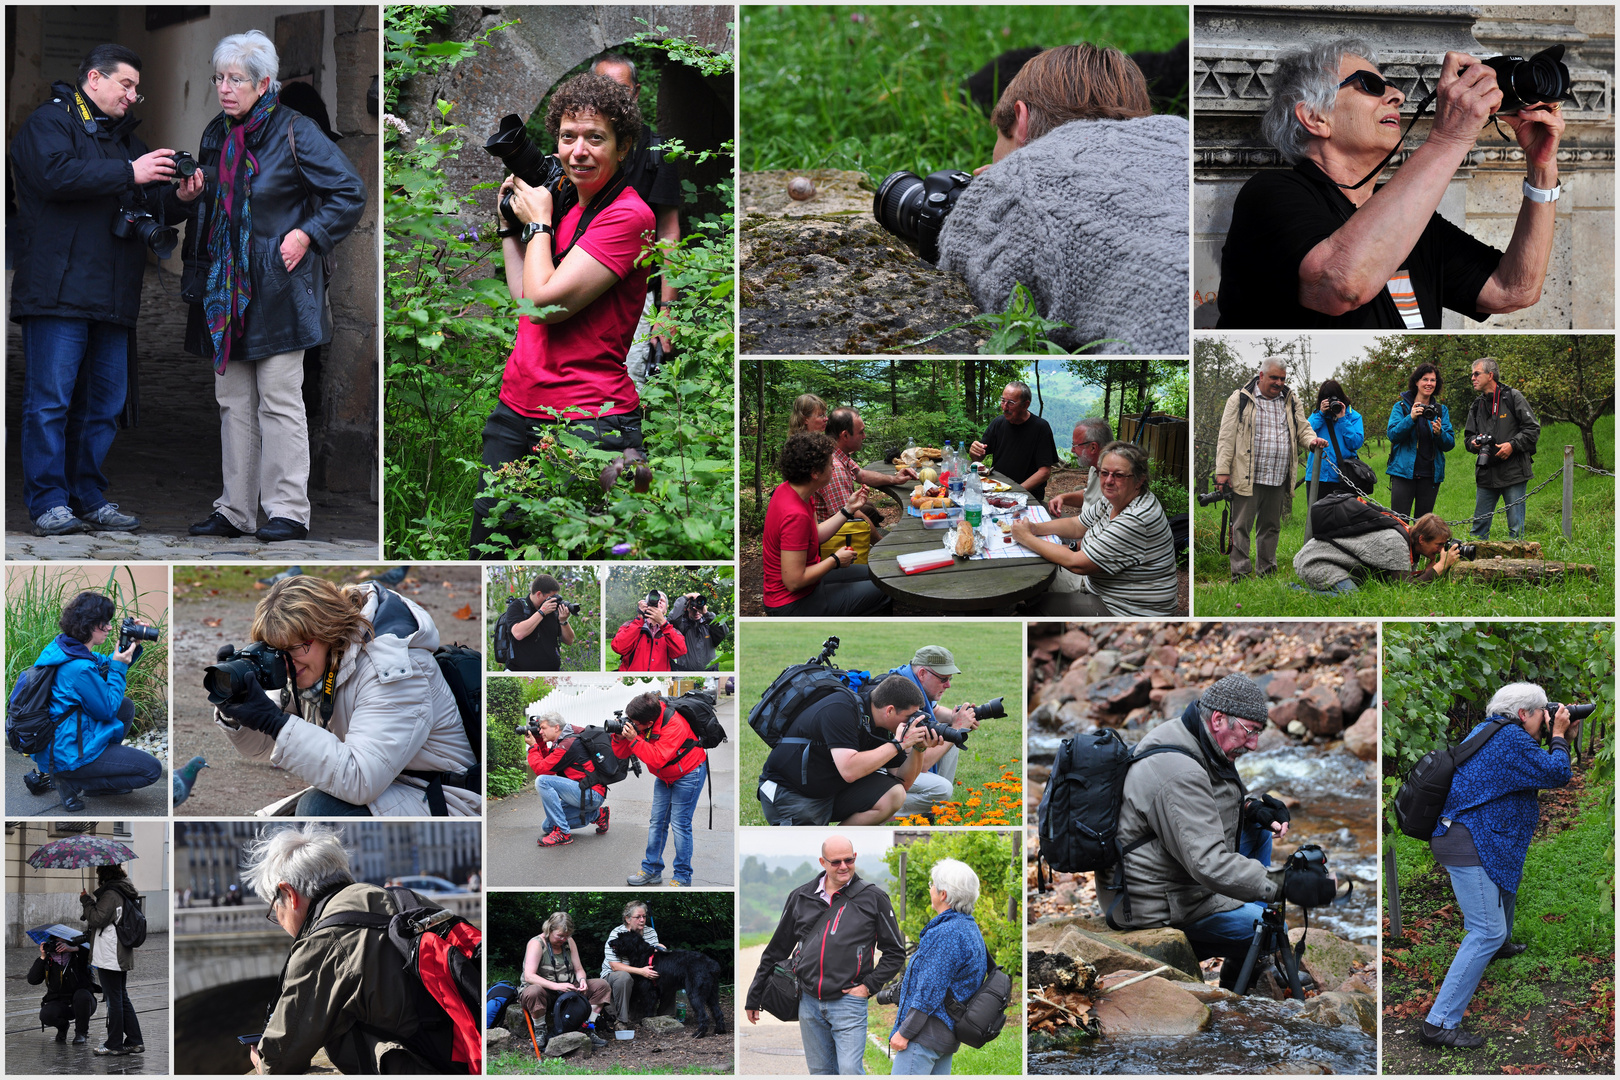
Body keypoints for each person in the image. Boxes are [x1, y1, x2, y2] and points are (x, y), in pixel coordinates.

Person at [1217, 39, 1562, 329]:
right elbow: (1341, 285)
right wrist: (1448, 138)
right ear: (1315, 117)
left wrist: (1541, 168)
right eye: (1371, 85)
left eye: (1391, 86)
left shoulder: (1413, 217)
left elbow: (1513, 290)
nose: (1397, 95)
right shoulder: (1271, 193)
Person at [179, 31, 366, 543]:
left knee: (279, 399)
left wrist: (309, 233)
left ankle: (287, 510)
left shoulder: (296, 130)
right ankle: (235, 510)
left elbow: (349, 192)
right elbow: (214, 205)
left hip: (280, 285)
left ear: (264, 83)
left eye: (235, 79)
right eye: (219, 78)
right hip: (227, 286)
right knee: (232, 400)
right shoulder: (215, 134)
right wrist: (191, 194)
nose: (224, 88)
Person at [470, 72, 657, 556]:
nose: (579, 150)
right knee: (490, 544)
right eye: (568, 137)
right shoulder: (566, 207)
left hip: (589, 417)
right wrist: (511, 229)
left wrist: (538, 223)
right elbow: (527, 300)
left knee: (586, 553)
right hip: (518, 405)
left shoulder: (628, 216)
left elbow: (548, 306)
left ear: (624, 146)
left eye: (596, 137)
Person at [11, 44, 186, 535]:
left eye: (136, 88)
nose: (132, 96)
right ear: (94, 78)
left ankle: (87, 495)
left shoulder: (126, 141)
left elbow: (149, 206)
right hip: (57, 292)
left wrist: (181, 198)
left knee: (103, 407)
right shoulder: (49, 123)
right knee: (50, 402)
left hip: (112, 296)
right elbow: (54, 175)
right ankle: (48, 502)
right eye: (125, 85)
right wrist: (131, 172)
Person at [937, 44, 1189, 355]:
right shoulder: (1182, 138)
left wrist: (993, 192)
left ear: (1020, 120)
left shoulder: (1018, 179)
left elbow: (971, 297)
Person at [1103, 675, 1337, 989]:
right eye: (1251, 731)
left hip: (1168, 868)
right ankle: (1238, 979)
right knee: (1266, 927)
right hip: (1154, 902)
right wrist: (1287, 884)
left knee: (1259, 833)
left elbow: (1196, 808)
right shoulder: (1178, 770)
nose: (1254, 744)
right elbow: (1208, 863)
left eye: (1258, 733)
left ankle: (1247, 948)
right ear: (1218, 719)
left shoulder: (1193, 736)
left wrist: (1252, 809)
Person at [212, 576, 479, 817]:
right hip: (392, 788)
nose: (286, 661)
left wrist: (275, 722)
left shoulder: (392, 668)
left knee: (319, 810)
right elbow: (262, 747)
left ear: (328, 630)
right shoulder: (312, 662)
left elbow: (361, 780)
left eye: (295, 647)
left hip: (444, 798)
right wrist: (237, 708)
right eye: (277, 650)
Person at [242, 823, 472, 1072]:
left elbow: (277, 1061)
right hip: (467, 1056)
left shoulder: (322, 942)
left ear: (288, 892)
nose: (281, 922)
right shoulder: (407, 900)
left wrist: (259, 1059)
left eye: (275, 911)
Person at [1421, 684, 1572, 1049]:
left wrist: (1552, 734)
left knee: (1505, 882)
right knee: (1483, 931)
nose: (1545, 718)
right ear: (1524, 715)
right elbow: (1557, 774)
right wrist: (1559, 736)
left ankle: (1499, 944)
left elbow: (1528, 770)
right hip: (1468, 841)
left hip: (1479, 836)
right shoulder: (1511, 741)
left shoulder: (1491, 730)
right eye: (1541, 713)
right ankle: (1438, 1023)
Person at [746, 836, 905, 1075]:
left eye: (848, 860)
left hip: (849, 1001)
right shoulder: (801, 896)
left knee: (850, 1070)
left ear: (855, 858)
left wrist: (868, 987)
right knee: (820, 1072)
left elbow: (895, 952)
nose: (843, 866)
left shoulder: (874, 898)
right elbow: (776, 949)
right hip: (808, 1001)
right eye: (836, 861)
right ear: (823, 862)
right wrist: (754, 994)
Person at [22, 591, 162, 813]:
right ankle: (73, 781)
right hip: (67, 752)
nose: (108, 628)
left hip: (61, 741)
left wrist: (128, 647)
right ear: (88, 625)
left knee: (125, 707)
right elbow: (107, 710)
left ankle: (94, 775)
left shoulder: (65, 647)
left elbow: (107, 667)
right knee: (151, 770)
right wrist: (119, 667)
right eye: (103, 623)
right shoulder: (78, 667)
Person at [590, 54, 681, 386]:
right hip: (576, 282)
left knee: (626, 386)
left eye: (621, 90)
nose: (612, 99)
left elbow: (668, 231)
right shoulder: (578, 147)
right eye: (603, 89)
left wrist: (666, 311)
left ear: (637, 93)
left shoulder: (657, 152)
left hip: (633, 293)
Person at [1010, 442, 1179, 616]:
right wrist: (1034, 528)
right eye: (1104, 473)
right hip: (1104, 588)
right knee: (1035, 575)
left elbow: (1077, 564)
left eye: (1119, 475)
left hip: (1127, 610)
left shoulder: (1136, 519)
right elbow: (1077, 525)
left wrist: (1027, 538)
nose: (1108, 481)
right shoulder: (1116, 498)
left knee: (1037, 606)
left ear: (1139, 480)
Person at [757, 674, 939, 826]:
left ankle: (840, 839)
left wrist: (918, 749)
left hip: (829, 792)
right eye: (909, 717)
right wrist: (898, 744)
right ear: (890, 710)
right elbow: (849, 771)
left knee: (895, 794)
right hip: (791, 794)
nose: (912, 723)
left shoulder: (886, 726)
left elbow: (903, 781)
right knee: (809, 846)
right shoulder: (842, 709)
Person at [1214, 357, 1329, 580]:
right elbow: (1226, 438)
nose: (1278, 383)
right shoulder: (1240, 399)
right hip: (1247, 475)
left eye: (1282, 379)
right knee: (1241, 528)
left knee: (1271, 527)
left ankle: (1266, 571)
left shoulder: (1291, 400)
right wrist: (1222, 472)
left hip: (1278, 476)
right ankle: (1241, 573)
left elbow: (1303, 429)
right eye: (1274, 377)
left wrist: (1312, 441)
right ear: (1262, 376)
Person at [763, 432, 891, 617]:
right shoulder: (795, 515)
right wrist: (835, 560)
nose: (834, 468)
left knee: (880, 574)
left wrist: (847, 510)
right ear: (815, 473)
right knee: (884, 590)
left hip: (808, 585)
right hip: (792, 603)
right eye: (831, 465)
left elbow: (815, 534)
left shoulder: (795, 491)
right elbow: (793, 581)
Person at [888, 859, 988, 1075]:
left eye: (932, 885)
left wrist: (905, 1032)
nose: (930, 889)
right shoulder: (968, 927)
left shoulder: (946, 934)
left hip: (925, 1037)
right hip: (945, 1035)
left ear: (943, 894)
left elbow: (929, 991)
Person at [616, 691, 709, 887]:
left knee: (680, 825)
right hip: (665, 775)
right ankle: (651, 870)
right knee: (657, 822)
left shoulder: (674, 724)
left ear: (649, 723)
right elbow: (622, 753)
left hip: (689, 773)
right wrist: (619, 737)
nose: (631, 724)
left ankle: (683, 877)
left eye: (634, 722)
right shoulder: (643, 720)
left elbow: (657, 758)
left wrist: (634, 739)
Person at [885, 646, 981, 818]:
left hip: (895, 763)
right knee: (942, 789)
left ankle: (934, 809)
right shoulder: (903, 699)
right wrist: (957, 727)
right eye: (943, 679)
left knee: (950, 736)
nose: (948, 685)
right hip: (882, 770)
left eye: (950, 679)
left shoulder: (908, 679)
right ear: (922, 673)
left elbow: (935, 712)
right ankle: (880, 807)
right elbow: (922, 764)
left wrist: (956, 717)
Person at [1292, 511, 1462, 593]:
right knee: (1349, 596)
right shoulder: (1396, 543)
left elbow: (1399, 580)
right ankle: (1295, 590)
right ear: (1421, 540)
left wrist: (1428, 570)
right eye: (1438, 544)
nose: (1441, 550)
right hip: (1316, 559)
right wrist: (1440, 567)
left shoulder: (1410, 541)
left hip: (1336, 561)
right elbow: (1405, 588)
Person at [1465, 357, 1540, 541]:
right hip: (1486, 472)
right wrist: (1474, 442)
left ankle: (1518, 567)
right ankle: (1473, 568)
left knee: (1516, 529)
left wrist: (1512, 445)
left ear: (1490, 375)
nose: (1472, 378)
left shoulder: (1512, 397)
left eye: (1476, 374)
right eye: (1471, 375)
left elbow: (1533, 429)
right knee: (1478, 530)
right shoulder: (1476, 405)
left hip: (1513, 472)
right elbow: (1467, 438)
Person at [814, 407, 918, 540]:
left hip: (846, 531)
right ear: (845, 435)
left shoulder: (836, 453)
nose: (864, 436)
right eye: (861, 432)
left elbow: (861, 474)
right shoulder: (834, 468)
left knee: (870, 508)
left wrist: (895, 479)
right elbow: (851, 516)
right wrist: (882, 544)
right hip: (837, 540)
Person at [519, 912, 612, 1050]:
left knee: (602, 986)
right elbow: (529, 976)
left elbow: (579, 969)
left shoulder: (569, 942)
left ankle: (588, 1027)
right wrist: (556, 986)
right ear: (549, 929)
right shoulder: (536, 943)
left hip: (568, 989)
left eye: (566, 936)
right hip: (543, 989)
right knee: (533, 991)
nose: (563, 939)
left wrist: (582, 981)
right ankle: (540, 1031)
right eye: (560, 936)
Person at [80, 864, 142, 1056]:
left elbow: (98, 919)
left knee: (114, 999)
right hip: (119, 951)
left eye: (99, 874)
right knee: (121, 997)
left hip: (110, 953)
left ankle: (114, 1043)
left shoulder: (111, 894)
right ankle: (134, 1041)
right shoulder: (124, 890)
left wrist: (86, 902)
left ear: (104, 876)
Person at [525, 711, 610, 847]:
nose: (540, 731)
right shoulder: (564, 739)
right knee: (547, 826)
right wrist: (540, 742)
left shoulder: (568, 744)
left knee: (542, 781)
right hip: (582, 792)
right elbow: (550, 760)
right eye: (539, 729)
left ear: (556, 727)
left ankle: (563, 833)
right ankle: (598, 815)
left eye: (543, 728)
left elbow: (542, 769)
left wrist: (533, 748)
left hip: (591, 794)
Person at [969, 382, 1058, 503]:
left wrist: (1016, 492)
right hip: (998, 490)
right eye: (1003, 401)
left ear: (1025, 405)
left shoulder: (1040, 428)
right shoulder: (998, 423)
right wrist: (974, 451)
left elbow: (1044, 472)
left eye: (1010, 403)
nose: (1004, 407)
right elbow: (978, 457)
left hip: (1028, 496)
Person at [1387, 363, 1455, 520]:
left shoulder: (1440, 410)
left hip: (1429, 475)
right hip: (1403, 473)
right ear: (1416, 382)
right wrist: (1410, 418)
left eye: (1433, 380)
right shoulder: (1401, 407)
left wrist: (1439, 433)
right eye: (1425, 379)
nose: (1429, 383)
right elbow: (1393, 435)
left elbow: (1449, 443)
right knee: (1399, 522)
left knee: (1423, 525)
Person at [601, 901, 666, 1029]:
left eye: (644, 916)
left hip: (642, 973)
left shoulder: (650, 932)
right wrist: (641, 971)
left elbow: (654, 957)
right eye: (638, 917)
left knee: (667, 973)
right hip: (614, 976)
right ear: (627, 919)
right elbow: (615, 966)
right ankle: (621, 1021)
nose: (642, 920)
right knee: (623, 977)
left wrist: (661, 950)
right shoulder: (616, 933)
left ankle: (666, 1017)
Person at [28, 931, 98, 1046]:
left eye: (62, 943)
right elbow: (32, 980)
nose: (59, 946)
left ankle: (81, 1033)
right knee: (46, 1014)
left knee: (82, 996)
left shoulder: (79, 957)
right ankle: (63, 1027)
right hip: (59, 1002)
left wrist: (72, 949)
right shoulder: (49, 961)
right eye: (56, 942)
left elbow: (91, 950)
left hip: (83, 1003)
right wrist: (42, 957)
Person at [1304, 379, 1366, 501]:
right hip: (1318, 476)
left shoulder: (1353, 416)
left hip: (1343, 477)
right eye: (1326, 399)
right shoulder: (1317, 416)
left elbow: (1355, 443)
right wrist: (1321, 413)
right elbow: (1305, 432)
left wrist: (1342, 419)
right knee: (1317, 517)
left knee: (1344, 518)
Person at [501, 574, 575, 672]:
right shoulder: (518, 606)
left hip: (551, 673)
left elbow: (569, 641)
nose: (555, 600)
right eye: (551, 597)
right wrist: (542, 612)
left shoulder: (553, 610)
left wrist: (563, 621)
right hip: (520, 673)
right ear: (539, 594)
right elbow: (518, 633)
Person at [1047, 418, 1112, 518]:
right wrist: (1063, 497)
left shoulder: (1113, 480)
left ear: (1093, 447)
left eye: (1075, 445)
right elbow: (1089, 496)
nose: (1072, 450)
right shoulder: (1094, 467)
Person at [611, 590, 687, 671]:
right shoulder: (631, 625)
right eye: (655, 599)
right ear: (646, 605)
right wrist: (640, 618)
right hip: (632, 680)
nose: (658, 602)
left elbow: (680, 651)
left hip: (659, 680)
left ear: (665, 610)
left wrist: (663, 624)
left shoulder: (671, 630)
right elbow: (618, 647)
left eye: (662, 601)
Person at [668, 592, 727, 672]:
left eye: (699, 609)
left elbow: (723, 631)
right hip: (686, 671)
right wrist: (686, 598)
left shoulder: (709, 624)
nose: (696, 612)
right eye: (692, 609)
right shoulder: (682, 626)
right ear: (686, 609)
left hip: (710, 671)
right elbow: (673, 619)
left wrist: (706, 614)